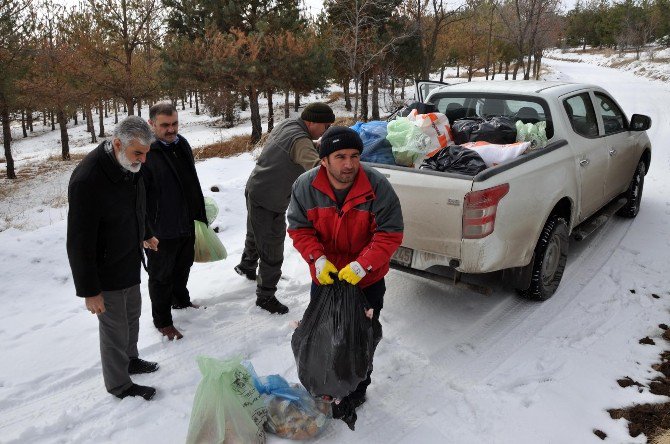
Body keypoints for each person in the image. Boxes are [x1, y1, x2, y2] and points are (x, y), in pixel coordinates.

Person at [287, 126, 404, 428]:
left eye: (354, 156)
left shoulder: (377, 187)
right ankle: (327, 383)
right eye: (340, 157)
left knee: (361, 338)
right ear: (324, 159)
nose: (349, 164)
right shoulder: (305, 186)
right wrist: (317, 258)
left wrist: (363, 265)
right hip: (325, 277)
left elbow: (390, 234)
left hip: (366, 280)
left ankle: (356, 390)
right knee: (325, 333)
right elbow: (299, 228)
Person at [66, 116, 159, 401]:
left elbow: (136, 203)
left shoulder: (128, 164)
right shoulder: (88, 179)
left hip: (128, 256)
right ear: (118, 144)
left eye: (145, 154)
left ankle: (130, 359)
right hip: (105, 268)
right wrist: (89, 290)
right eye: (138, 153)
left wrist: (145, 232)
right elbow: (79, 242)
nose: (142, 160)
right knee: (114, 327)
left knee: (132, 315)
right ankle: (119, 384)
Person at [235, 102, 336, 315]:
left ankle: (247, 265)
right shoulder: (300, 141)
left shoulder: (289, 125)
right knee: (272, 248)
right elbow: (318, 170)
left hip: (255, 187)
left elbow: (301, 146)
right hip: (270, 199)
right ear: (311, 122)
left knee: (255, 232)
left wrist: (318, 145)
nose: (326, 131)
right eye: (325, 126)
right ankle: (266, 296)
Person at [142, 102, 208, 340]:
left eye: (175, 124)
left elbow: (191, 180)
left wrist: (199, 212)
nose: (171, 130)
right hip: (160, 228)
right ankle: (162, 321)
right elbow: (138, 195)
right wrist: (145, 230)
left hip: (185, 220)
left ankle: (181, 300)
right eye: (165, 125)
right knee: (160, 276)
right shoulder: (145, 151)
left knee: (183, 265)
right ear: (151, 124)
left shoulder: (182, 144)